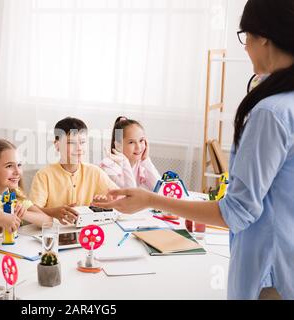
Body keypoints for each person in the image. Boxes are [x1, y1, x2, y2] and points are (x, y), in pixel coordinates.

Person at [94, 0, 294, 300]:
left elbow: (237, 211)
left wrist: (149, 199)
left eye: (245, 36)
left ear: (263, 35)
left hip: (269, 269)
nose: (245, 47)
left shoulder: (270, 112)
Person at [29, 117, 118, 225]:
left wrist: (108, 203)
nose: (79, 148)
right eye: (71, 143)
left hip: (87, 232)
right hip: (54, 232)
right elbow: (31, 211)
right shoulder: (44, 175)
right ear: (57, 145)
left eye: (82, 142)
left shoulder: (95, 172)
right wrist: (53, 212)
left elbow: (121, 199)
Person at [0, 139, 51, 249]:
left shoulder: (15, 195)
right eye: (9, 166)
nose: (17, 171)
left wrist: (24, 213)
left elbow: (48, 221)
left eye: (19, 164)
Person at [99, 116, 160, 190]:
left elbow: (160, 189)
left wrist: (146, 160)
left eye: (141, 140)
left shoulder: (140, 164)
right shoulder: (109, 168)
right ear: (118, 145)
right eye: (131, 142)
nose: (138, 147)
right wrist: (125, 163)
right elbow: (129, 193)